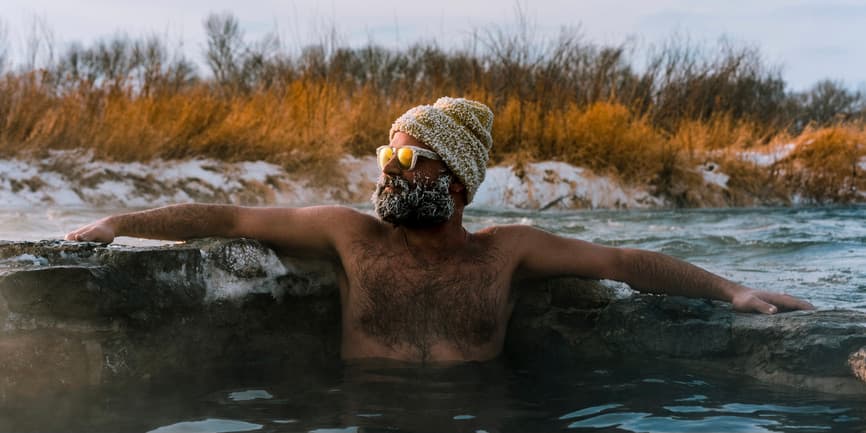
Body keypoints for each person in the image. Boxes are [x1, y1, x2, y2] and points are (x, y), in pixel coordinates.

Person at [66, 97, 814, 363]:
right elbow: (227, 215)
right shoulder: (349, 235)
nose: (387, 172)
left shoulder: (508, 251)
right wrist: (115, 222)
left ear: (455, 182)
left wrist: (734, 289)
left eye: (406, 159)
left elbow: (621, 259)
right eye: (384, 156)